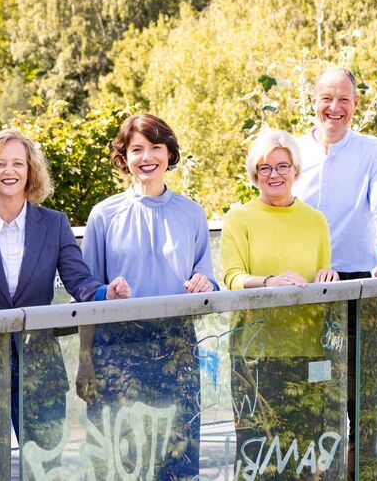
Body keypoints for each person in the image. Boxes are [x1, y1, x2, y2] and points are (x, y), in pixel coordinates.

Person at [0, 129, 130, 478]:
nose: (8, 170)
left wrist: (108, 293)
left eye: (17, 162)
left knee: (45, 470)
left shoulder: (54, 224)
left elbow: (81, 283)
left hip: (40, 368)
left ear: (30, 170)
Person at [76, 113, 217, 479]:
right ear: (124, 158)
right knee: (121, 460)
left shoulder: (192, 214)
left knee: (178, 455)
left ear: (169, 153)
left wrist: (204, 284)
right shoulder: (103, 215)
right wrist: (84, 360)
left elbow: (210, 283)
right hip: (117, 353)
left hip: (178, 349)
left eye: (155, 147)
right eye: (136, 149)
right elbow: (87, 296)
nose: (147, 156)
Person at [293, 67, 377, 479]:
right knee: (309, 405)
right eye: (327, 98)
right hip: (299, 294)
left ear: (356, 105)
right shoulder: (290, 152)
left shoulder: (376, 152)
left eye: (344, 99)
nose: (335, 108)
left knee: (365, 403)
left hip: (357, 289)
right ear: (313, 101)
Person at [221, 129, 340, 478]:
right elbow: (232, 277)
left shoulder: (316, 221)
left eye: (282, 166)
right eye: (265, 168)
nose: (274, 175)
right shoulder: (238, 218)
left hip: (307, 352)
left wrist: (327, 279)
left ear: (296, 171)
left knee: (306, 452)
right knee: (258, 453)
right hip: (254, 355)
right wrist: (270, 282)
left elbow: (321, 275)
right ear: (255, 174)